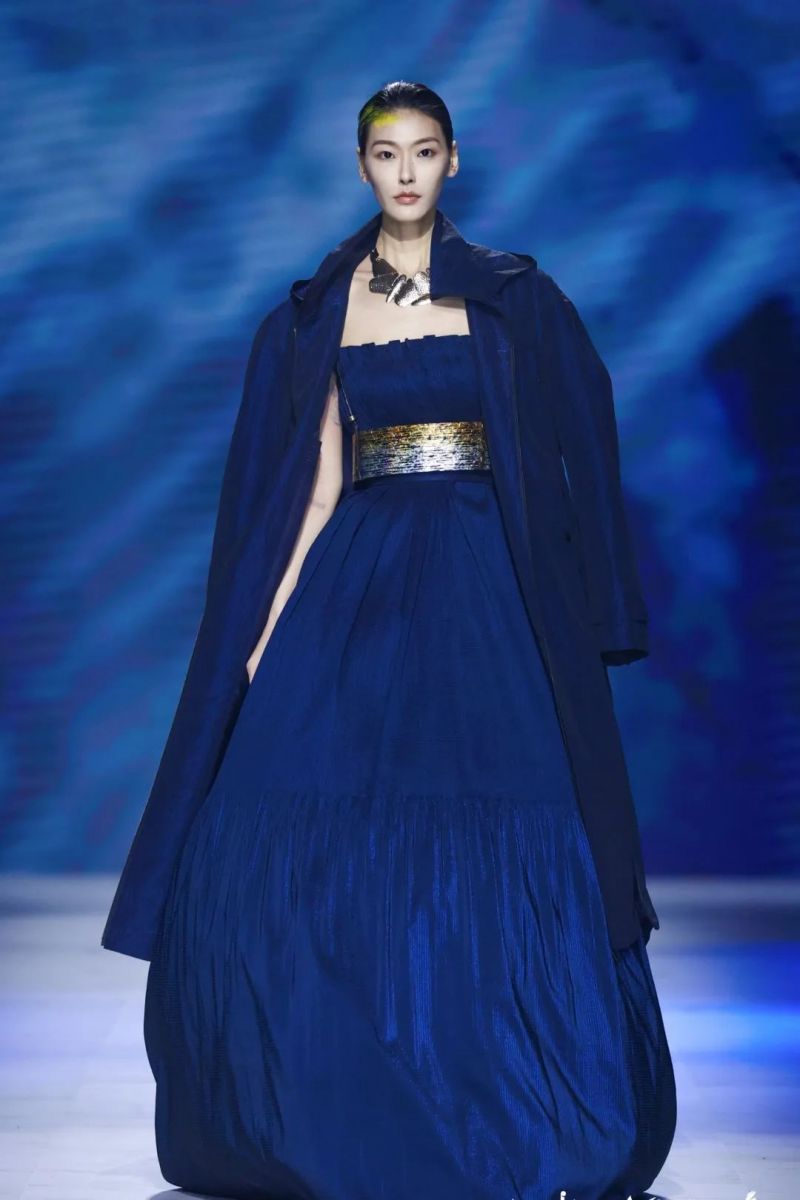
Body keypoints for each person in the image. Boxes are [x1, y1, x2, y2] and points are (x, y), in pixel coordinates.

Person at [104, 81, 677, 1199]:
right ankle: (318, 1100)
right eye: (384, 153)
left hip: (485, 585)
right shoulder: (323, 309)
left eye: (423, 151)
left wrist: (595, 607)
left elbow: (584, 443)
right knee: (286, 798)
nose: (404, 172)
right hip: (358, 579)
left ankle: (507, 1095)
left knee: (501, 807)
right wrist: (262, 633)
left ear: (453, 161)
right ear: (362, 166)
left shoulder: (513, 297)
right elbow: (314, 485)